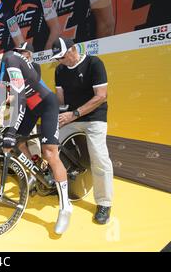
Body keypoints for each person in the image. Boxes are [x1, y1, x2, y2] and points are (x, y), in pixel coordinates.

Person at [0, 36, 73, 235]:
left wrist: (11, 130)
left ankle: (65, 207)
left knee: (50, 154)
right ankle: (36, 172)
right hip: (28, 106)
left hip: (46, 104)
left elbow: (18, 95)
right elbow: (4, 98)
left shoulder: (10, 59)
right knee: (17, 142)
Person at [52, 37, 113, 224]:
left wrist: (74, 114)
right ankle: (57, 184)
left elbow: (101, 96)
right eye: (57, 58)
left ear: (72, 49)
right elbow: (61, 101)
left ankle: (104, 203)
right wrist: (55, 116)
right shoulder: (60, 70)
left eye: (62, 56)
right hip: (70, 116)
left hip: (94, 118)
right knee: (51, 146)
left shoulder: (94, 63)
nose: (60, 61)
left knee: (99, 158)